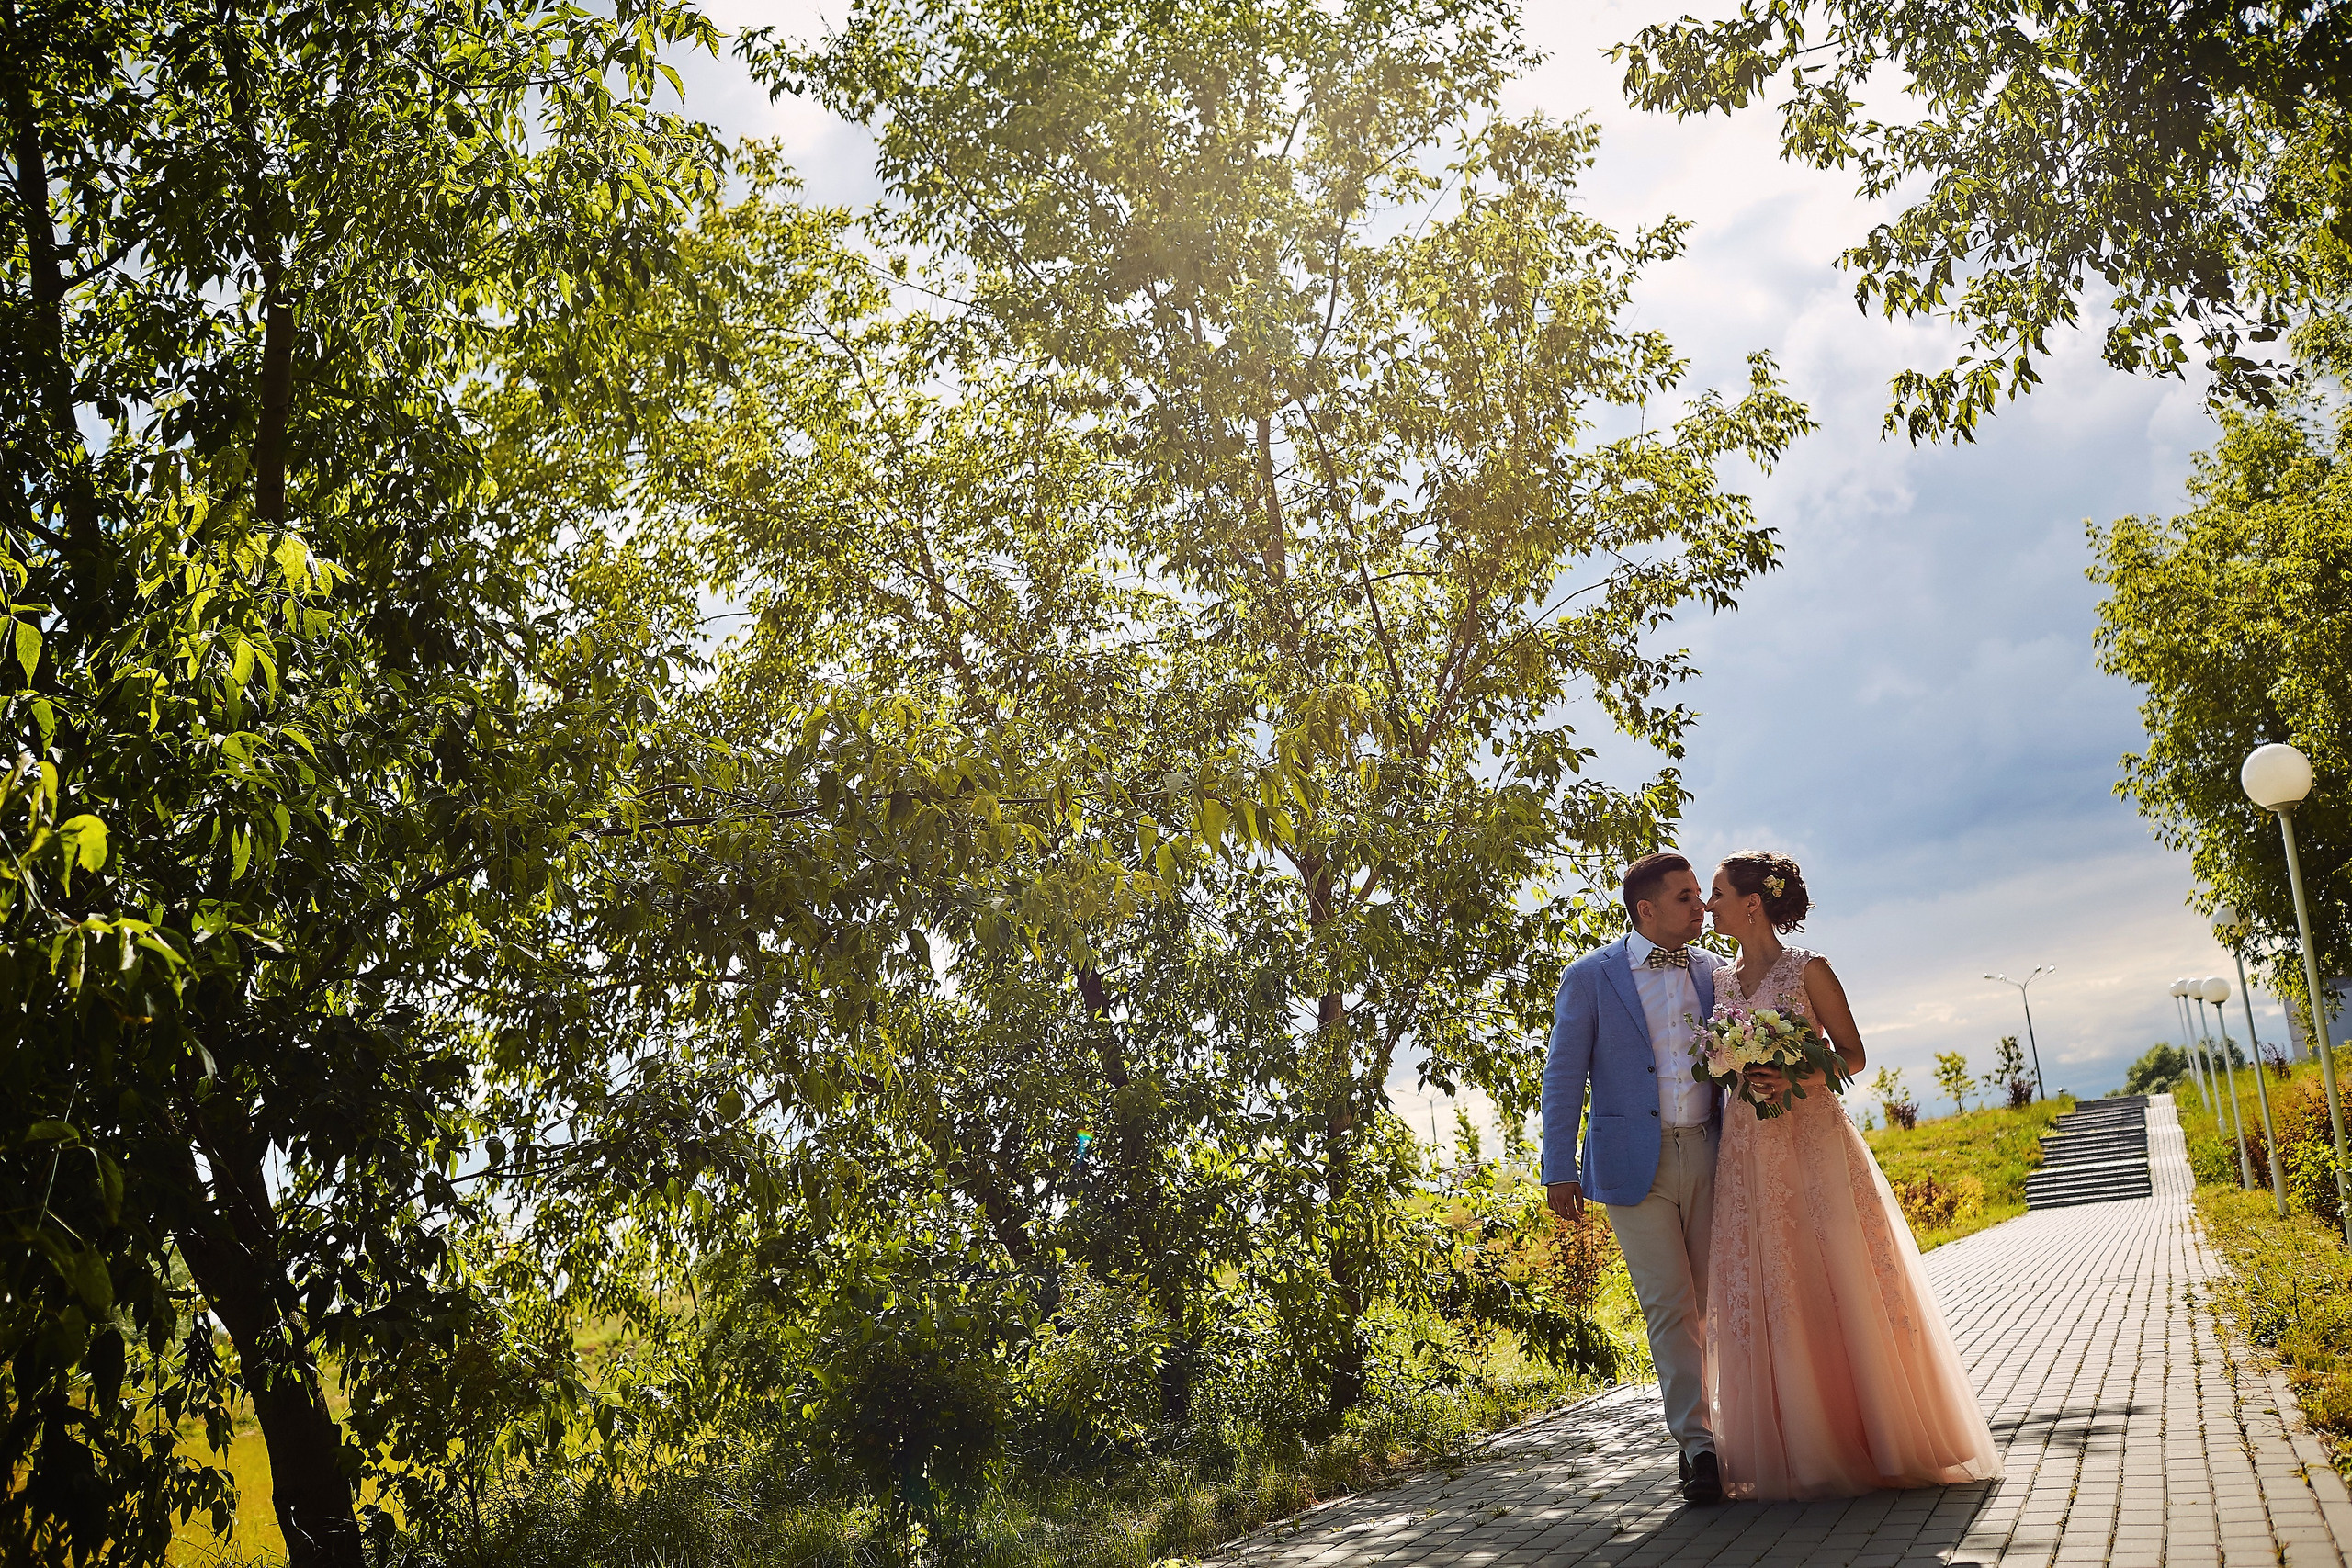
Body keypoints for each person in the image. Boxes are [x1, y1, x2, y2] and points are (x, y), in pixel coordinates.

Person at [1702, 850, 2002, 1500]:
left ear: (1752, 900)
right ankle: (1796, 1446)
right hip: (1749, 1149)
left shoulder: (1809, 969)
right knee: (1771, 1281)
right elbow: (1722, 1060)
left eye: (1719, 891)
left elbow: (1854, 1056)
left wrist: (1793, 1070)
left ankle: (1880, 1438)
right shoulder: (1723, 980)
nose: (1710, 903)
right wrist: (1736, 1068)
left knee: (1835, 1271)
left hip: (1811, 1142)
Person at [1543, 851, 1731, 1505]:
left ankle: (1731, 1426)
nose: (1700, 906)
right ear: (1646, 909)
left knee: (1710, 1302)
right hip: (1630, 1165)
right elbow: (1563, 1074)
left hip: (1713, 1151)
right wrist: (1557, 1166)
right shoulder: (1589, 976)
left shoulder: (1715, 972)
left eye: (1700, 895)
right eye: (1685, 897)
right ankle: (1698, 1447)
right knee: (1669, 1304)